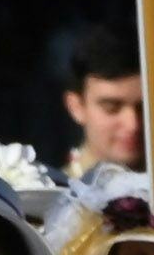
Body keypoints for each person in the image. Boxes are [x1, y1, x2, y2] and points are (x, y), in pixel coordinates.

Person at [47, 20, 141, 180]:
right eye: (111, 108)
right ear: (76, 107)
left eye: (145, 109)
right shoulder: (52, 193)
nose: (133, 124)